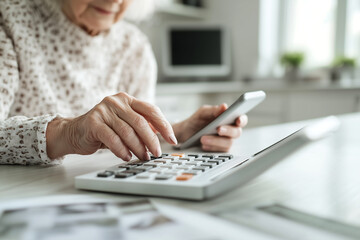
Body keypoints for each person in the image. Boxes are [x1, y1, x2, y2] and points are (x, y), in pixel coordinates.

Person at [0, 0, 248, 165]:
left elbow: (135, 144)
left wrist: (178, 133)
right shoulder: (9, 19)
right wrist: (70, 133)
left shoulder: (134, 45)